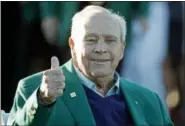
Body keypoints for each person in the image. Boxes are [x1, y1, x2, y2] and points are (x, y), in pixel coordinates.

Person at [8, 5, 173, 126]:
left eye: (110, 41)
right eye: (91, 40)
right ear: (72, 45)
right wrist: (43, 100)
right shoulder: (34, 90)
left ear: (122, 48)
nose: (101, 49)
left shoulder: (149, 100)